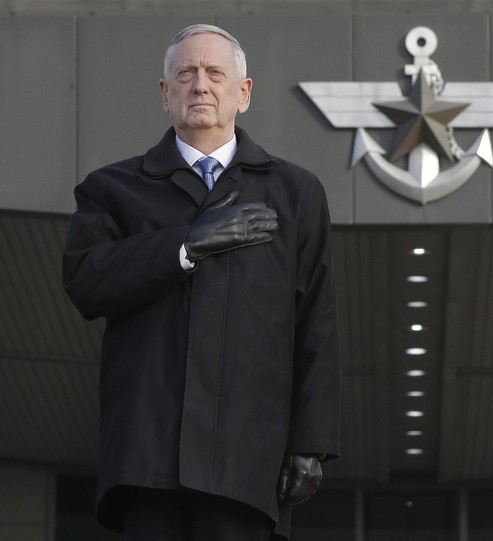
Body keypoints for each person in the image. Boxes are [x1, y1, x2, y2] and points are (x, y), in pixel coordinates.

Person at [62, 24, 341, 540]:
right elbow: (85, 280)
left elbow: (315, 321)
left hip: (247, 455)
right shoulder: (111, 189)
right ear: (165, 94)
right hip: (148, 458)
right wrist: (185, 246)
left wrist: (310, 442)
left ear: (244, 92)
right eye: (185, 74)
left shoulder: (298, 192)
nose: (200, 85)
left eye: (215, 73)